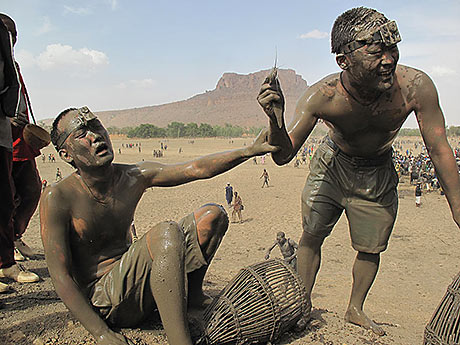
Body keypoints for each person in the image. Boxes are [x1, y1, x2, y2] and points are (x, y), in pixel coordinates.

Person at [257, 7, 460, 335]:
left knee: (370, 246)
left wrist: (458, 207)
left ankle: (355, 308)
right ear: (344, 61)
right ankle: (302, 304)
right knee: (311, 235)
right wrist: (275, 121)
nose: (388, 60)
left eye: (392, 49)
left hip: (377, 171)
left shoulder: (415, 87)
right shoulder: (323, 97)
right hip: (332, 165)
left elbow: (439, 149)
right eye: (376, 52)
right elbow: (284, 154)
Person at [40, 106, 275, 345]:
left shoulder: (132, 176)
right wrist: (101, 333)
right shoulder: (57, 196)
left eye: (97, 126)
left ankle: (192, 297)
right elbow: (60, 275)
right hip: (105, 301)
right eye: (82, 133)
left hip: (140, 286)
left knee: (213, 216)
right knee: (166, 233)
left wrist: (248, 151)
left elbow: (196, 168)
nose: (95, 136)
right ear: (66, 154)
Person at [0, 17, 39, 295]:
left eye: (13, 34)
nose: (12, 38)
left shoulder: (12, 63)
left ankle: (10, 248)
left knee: (19, 193)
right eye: (9, 33)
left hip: (11, 137)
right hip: (8, 135)